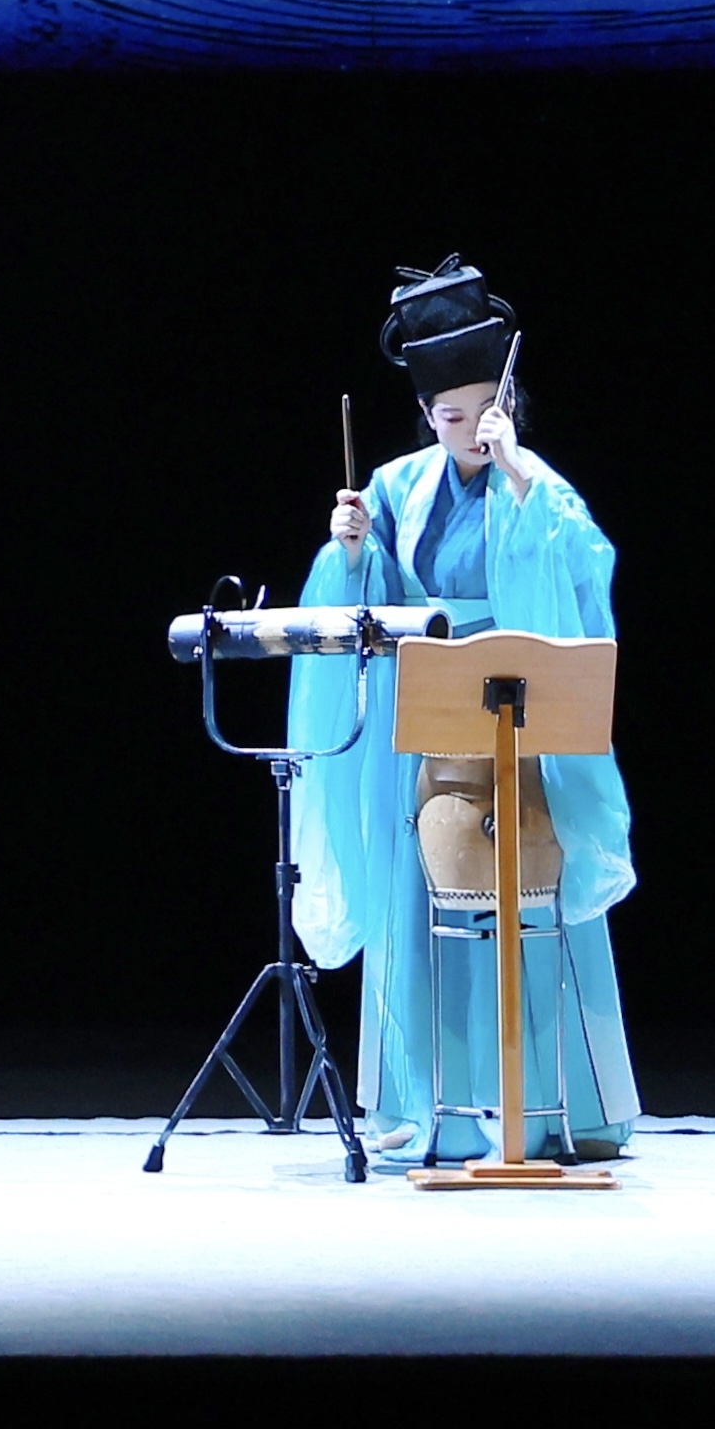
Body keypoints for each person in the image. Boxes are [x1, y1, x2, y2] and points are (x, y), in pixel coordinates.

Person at [289, 262, 634, 1167]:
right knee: (418, 900)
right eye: (450, 415)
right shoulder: (395, 486)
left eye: (485, 410)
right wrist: (347, 551)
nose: (469, 428)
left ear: (506, 404)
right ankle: (424, 1104)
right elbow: (365, 603)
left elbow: (582, 571)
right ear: (427, 414)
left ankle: (553, 1108)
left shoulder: (535, 486)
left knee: (534, 893)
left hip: (521, 715)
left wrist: (517, 474)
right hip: (429, 715)